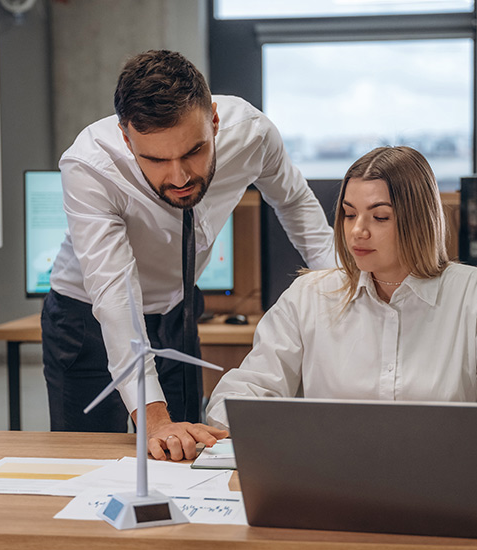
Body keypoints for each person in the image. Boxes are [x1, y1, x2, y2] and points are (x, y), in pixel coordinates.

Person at [43, 50, 336, 460]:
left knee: (186, 454)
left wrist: (345, 292)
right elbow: (115, 296)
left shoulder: (252, 134)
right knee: (89, 458)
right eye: (157, 160)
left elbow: (295, 204)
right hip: (87, 317)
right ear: (128, 139)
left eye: (194, 151)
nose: (179, 177)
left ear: (214, 120)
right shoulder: (91, 166)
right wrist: (153, 417)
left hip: (178, 312)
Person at [206, 146, 477, 448]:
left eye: (379, 217)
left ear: (417, 221)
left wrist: (421, 437)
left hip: (436, 474)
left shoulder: (470, 291)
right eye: (349, 214)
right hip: (333, 477)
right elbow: (234, 400)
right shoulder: (309, 296)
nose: (357, 231)